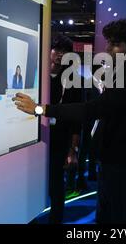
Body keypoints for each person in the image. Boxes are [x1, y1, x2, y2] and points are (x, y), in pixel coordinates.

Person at [13, 19, 126, 224]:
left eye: (115, 44)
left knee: (119, 216)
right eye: (109, 42)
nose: (108, 48)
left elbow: (92, 109)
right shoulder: (121, 73)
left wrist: (41, 109)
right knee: (107, 214)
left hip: (119, 161)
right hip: (110, 158)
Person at [46, 35, 82, 224]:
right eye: (57, 49)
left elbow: (77, 118)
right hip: (36, 136)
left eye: (64, 51)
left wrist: (73, 149)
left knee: (56, 182)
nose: (60, 54)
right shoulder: (38, 73)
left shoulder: (73, 80)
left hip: (60, 138)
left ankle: (56, 218)